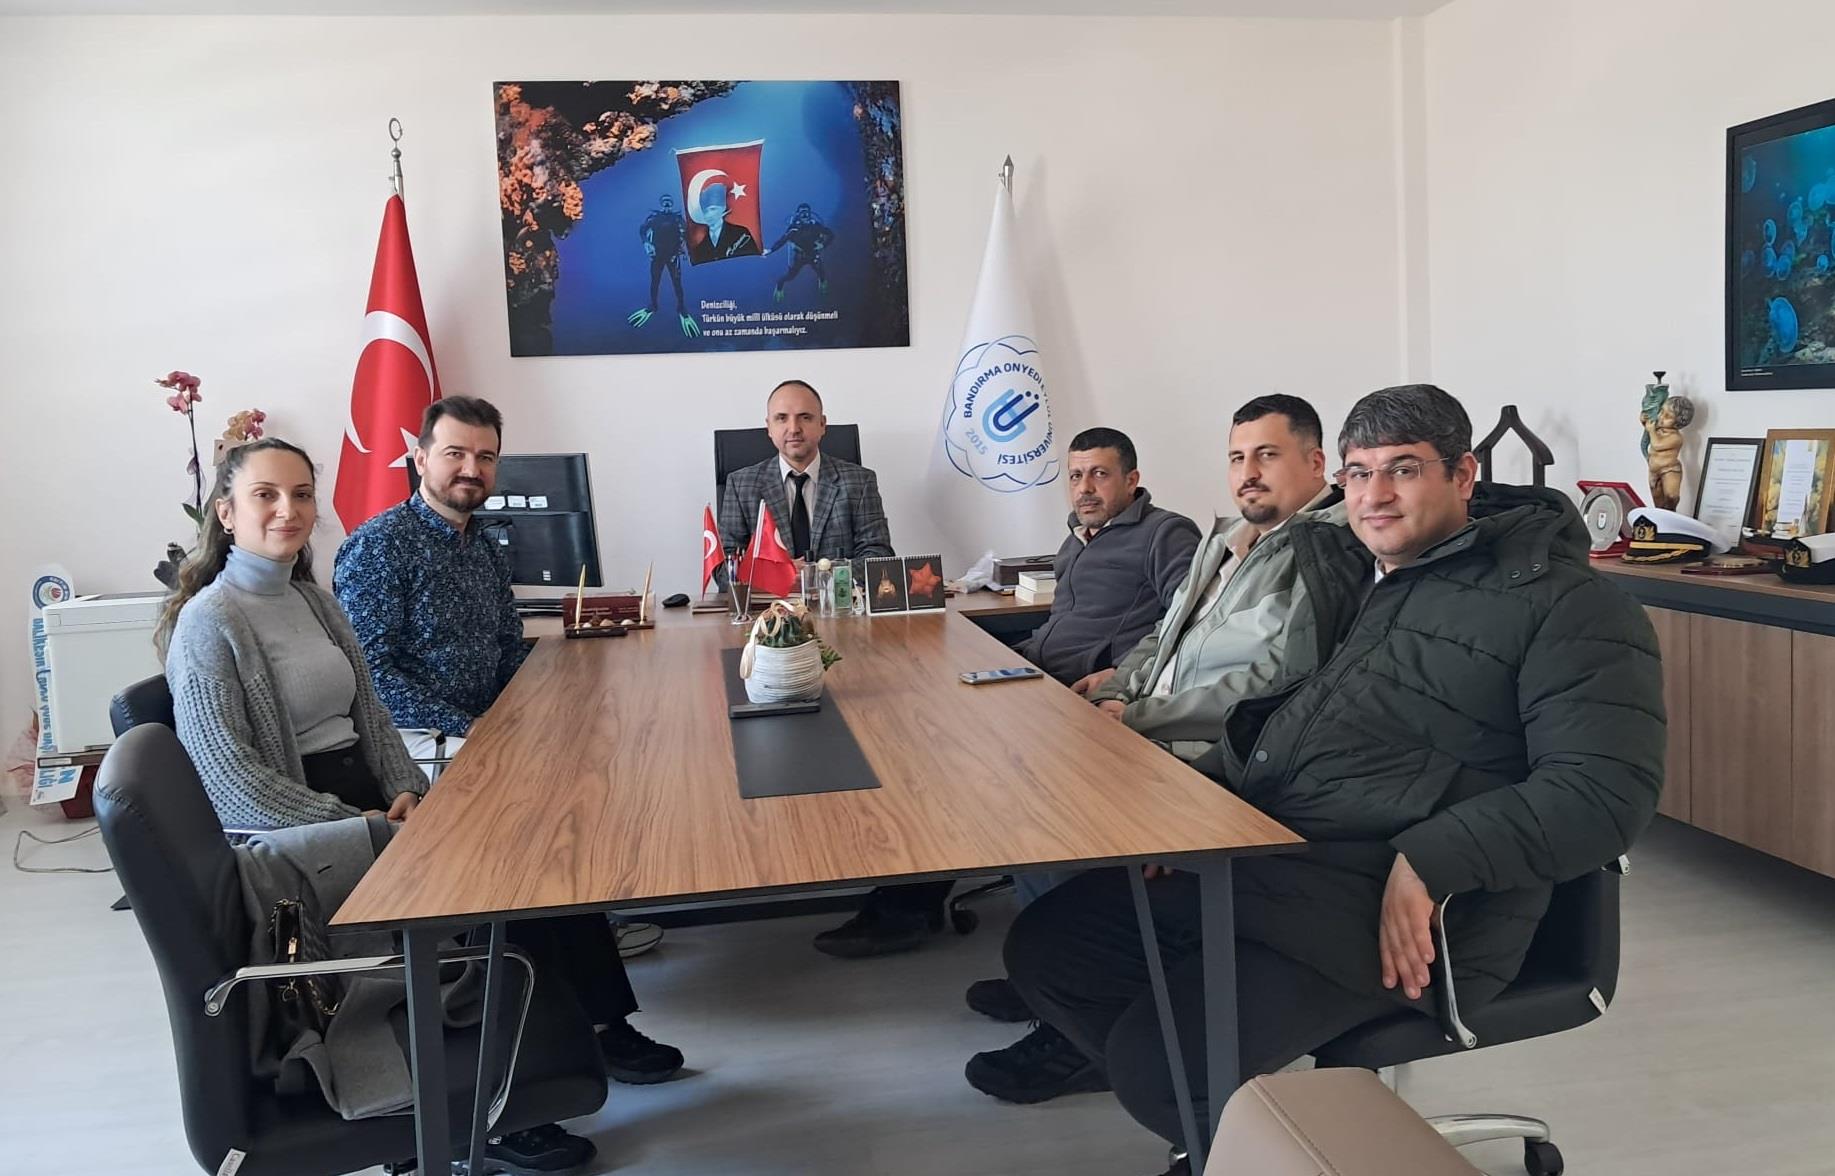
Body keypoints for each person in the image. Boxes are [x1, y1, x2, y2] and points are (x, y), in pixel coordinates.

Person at [1001, 384, 1666, 1173]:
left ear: (1462, 474)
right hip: (1289, 858)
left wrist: (1431, 859)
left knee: (1159, 1067)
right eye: (1357, 473)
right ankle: (1248, 1128)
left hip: (1418, 909)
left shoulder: (1572, 606)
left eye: (1402, 470)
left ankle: (1256, 1131)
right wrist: (1202, 808)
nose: (1373, 495)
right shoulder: (1367, 577)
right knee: (1050, 948)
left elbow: (1604, 793)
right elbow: (1293, 725)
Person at [159, 437, 599, 1172]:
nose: (288, 510)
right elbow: (230, 781)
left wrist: (407, 792)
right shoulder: (210, 622)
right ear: (226, 513)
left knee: (543, 859)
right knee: (517, 879)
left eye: (302, 495)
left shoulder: (312, 601)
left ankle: (550, 1062)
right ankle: (494, 1106)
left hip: (367, 806)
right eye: (266, 495)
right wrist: (359, 825)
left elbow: (370, 717)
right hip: (301, 835)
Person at [966, 395, 1342, 1104]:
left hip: (1202, 748)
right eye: (1237, 457)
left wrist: (1137, 714)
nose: (1248, 472)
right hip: (1149, 723)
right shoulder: (1227, 537)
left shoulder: (1324, 552)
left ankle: (1077, 1023)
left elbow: (1275, 683)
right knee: (1013, 782)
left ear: (1316, 463)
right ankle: (1056, 984)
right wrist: (1119, 694)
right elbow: (1163, 636)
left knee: (1040, 805)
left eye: (1267, 455)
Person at [333, 396, 684, 1087]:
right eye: (455, 453)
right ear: (420, 458)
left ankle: (601, 1020)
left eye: (485, 457)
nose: (471, 468)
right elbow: (372, 676)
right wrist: (482, 733)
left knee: (580, 796)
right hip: (416, 740)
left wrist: (580, 678)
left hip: (480, 730)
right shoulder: (379, 546)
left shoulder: (483, 547)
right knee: (539, 833)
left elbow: (502, 651)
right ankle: (558, 1039)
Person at [817, 427, 1202, 963]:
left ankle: (913, 909)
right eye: (1076, 476)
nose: (1084, 488)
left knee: (954, 757)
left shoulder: (1165, 533)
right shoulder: (1077, 539)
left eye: (1099, 474)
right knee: (919, 720)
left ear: (1132, 479)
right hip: (1037, 671)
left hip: (1075, 695)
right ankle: (908, 891)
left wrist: (1121, 672)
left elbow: (1190, 620)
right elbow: (1061, 623)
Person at [718, 379, 894, 562]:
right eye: (782, 418)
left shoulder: (860, 482)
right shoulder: (741, 486)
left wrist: (820, 572)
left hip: (835, 582)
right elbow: (726, 565)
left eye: (805, 417)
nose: (794, 429)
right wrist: (780, 573)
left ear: (822, 424)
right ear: (769, 427)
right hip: (771, 583)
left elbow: (878, 556)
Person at [687, 182, 760, 264]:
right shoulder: (700, 249)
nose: (708, 215)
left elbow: (752, 261)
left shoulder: (741, 234)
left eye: (713, 209)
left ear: (723, 208)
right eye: (705, 211)